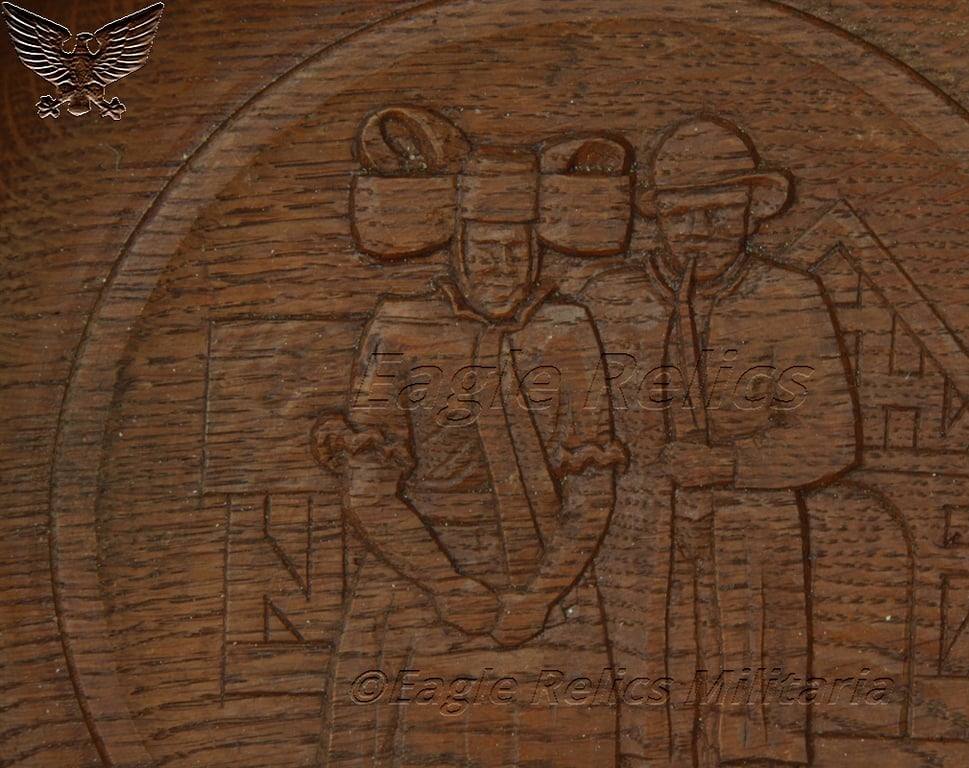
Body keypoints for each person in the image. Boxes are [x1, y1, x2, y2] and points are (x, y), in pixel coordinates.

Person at [315, 136, 627, 767]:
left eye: (517, 250)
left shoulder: (568, 330)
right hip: (417, 584)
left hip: (548, 587)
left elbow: (594, 493)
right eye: (486, 251)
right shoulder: (400, 326)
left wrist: (541, 596)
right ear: (458, 247)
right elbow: (368, 494)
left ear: (537, 248)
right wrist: (445, 585)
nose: (503, 267)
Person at [581, 115, 858, 767]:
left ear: (748, 212)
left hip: (752, 542)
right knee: (644, 715)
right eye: (683, 216)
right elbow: (567, 416)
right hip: (636, 541)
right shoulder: (605, 298)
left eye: (718, 212)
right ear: (659, 219)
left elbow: (833, 436)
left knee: (754, 711)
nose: (700, 231)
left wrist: (728, 464)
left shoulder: (790, 296)